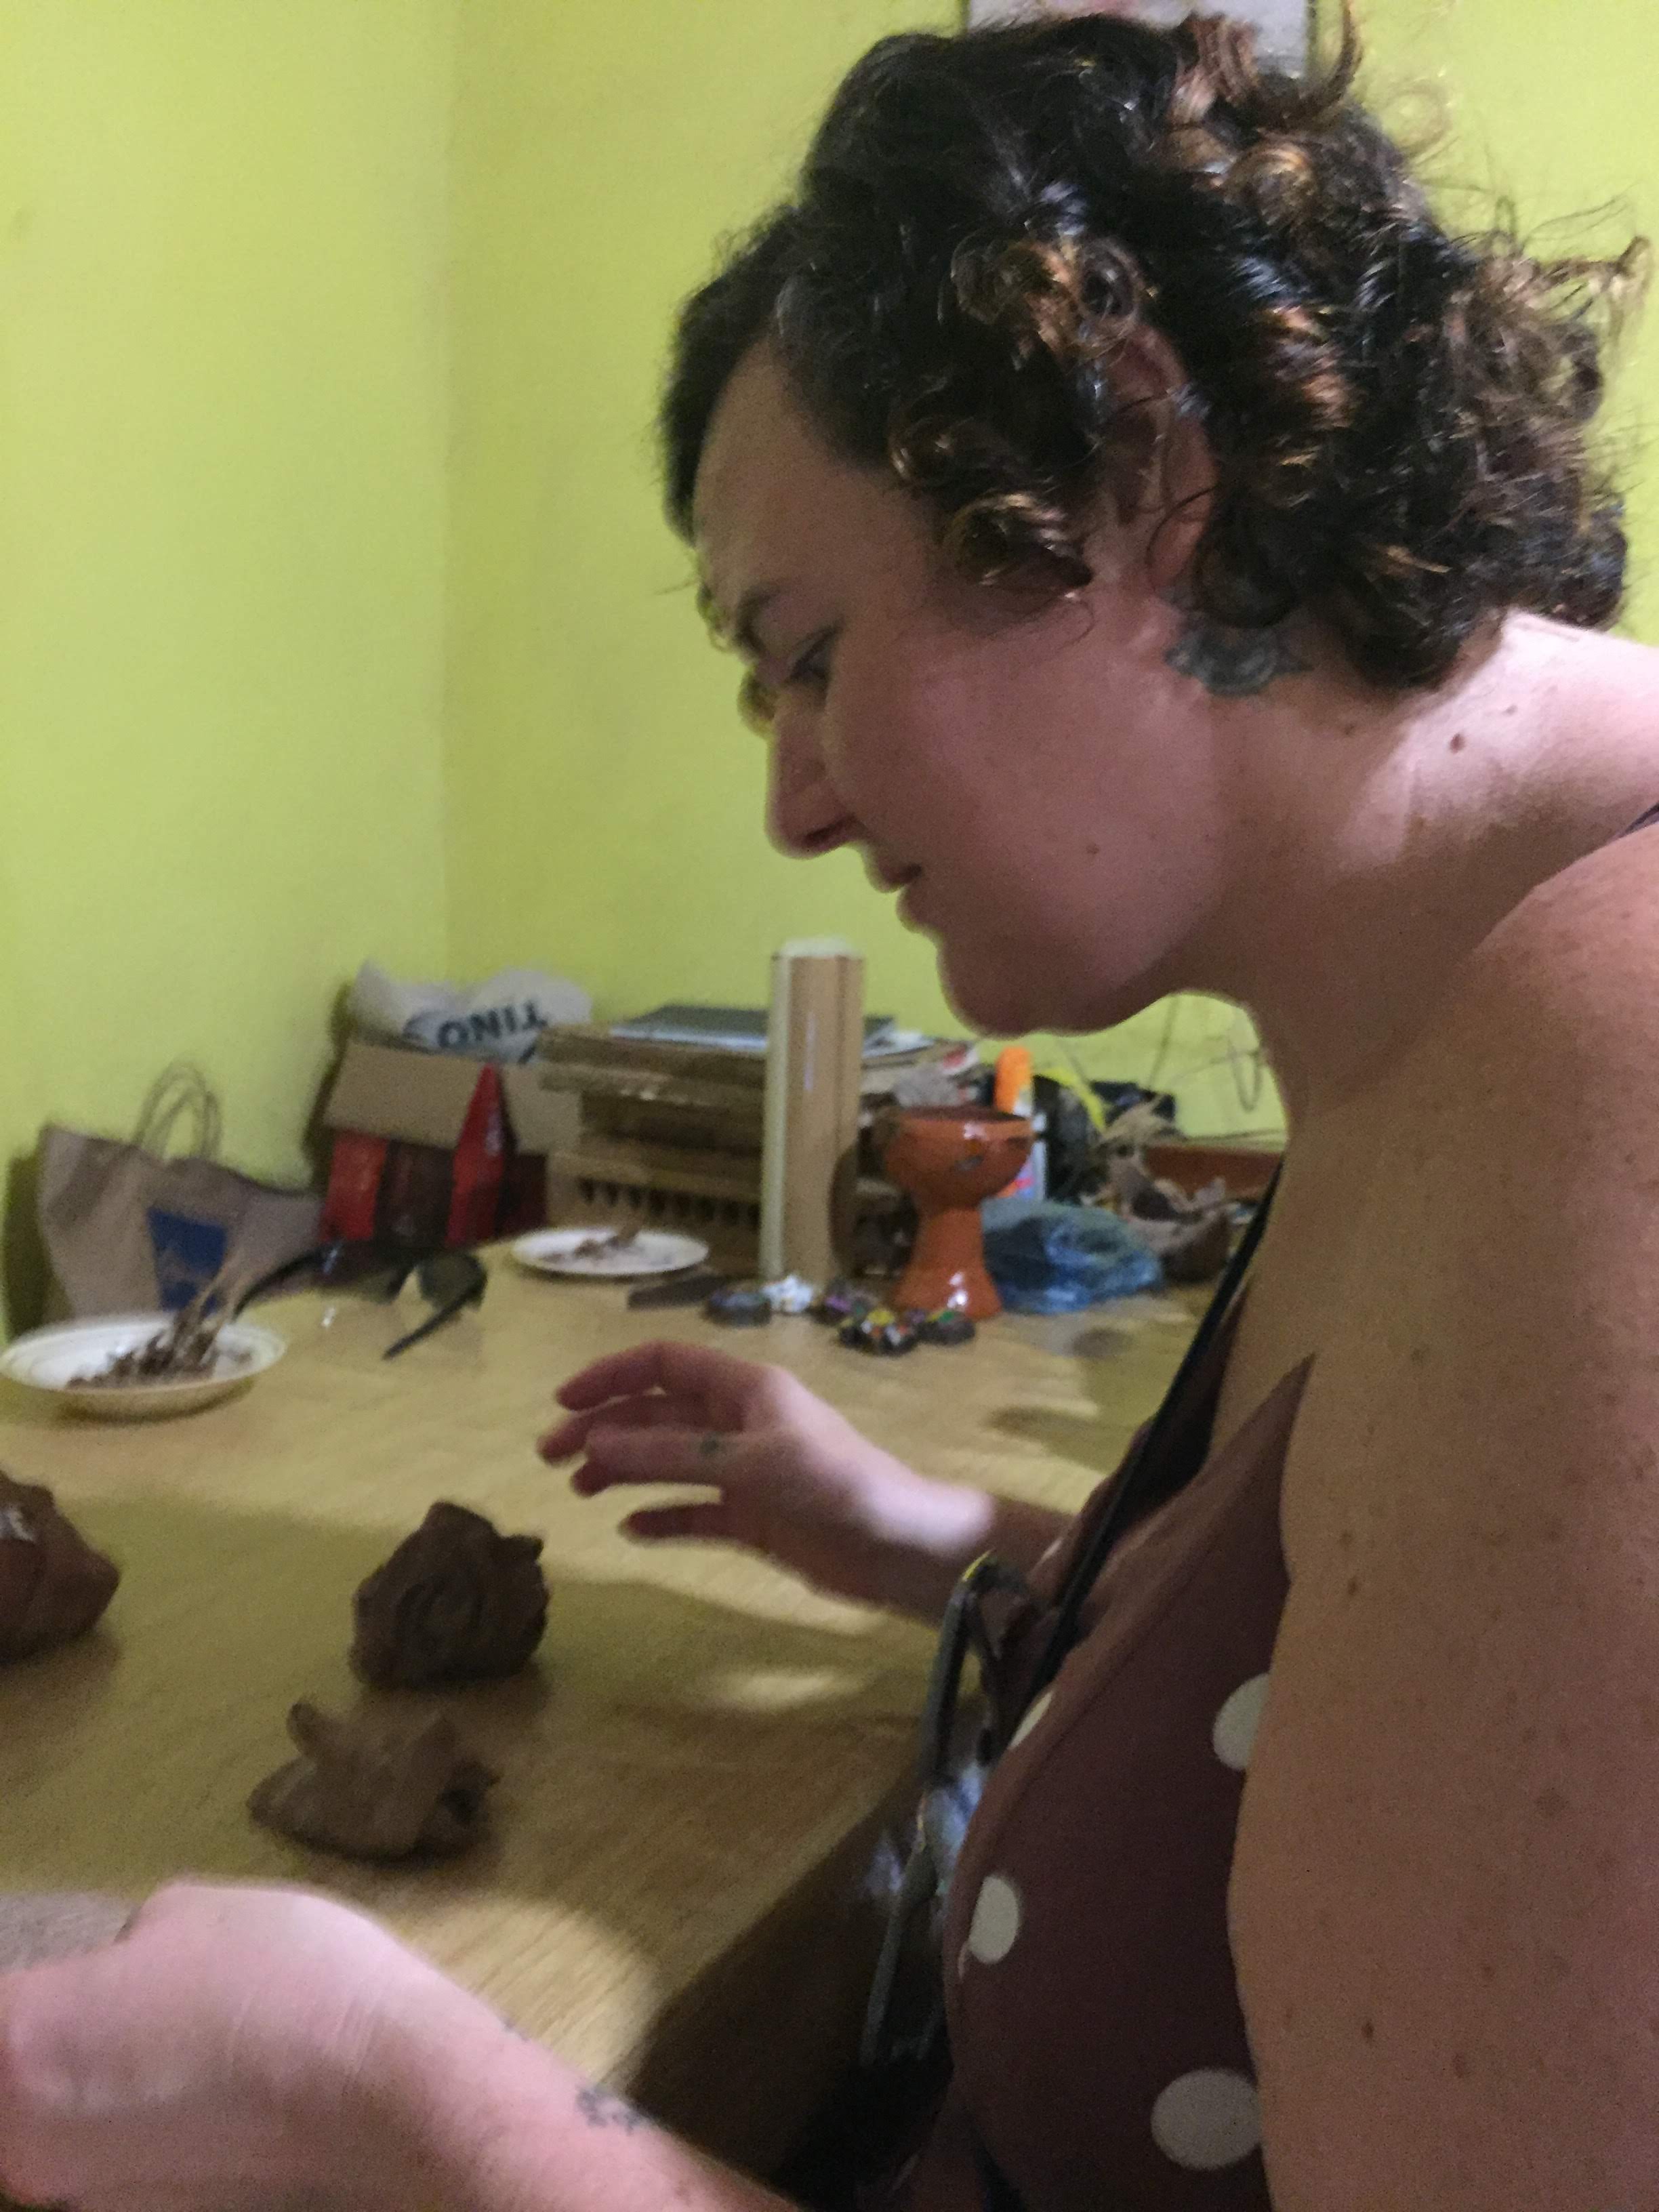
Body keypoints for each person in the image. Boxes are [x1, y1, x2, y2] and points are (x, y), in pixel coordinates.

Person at [2, 9, 1655, 2207]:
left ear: (1139, 477)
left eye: (804, 652)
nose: (792, 800)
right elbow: (1400, 1655)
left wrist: (396, 2099)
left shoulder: (1613, 1064)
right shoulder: (1435, 1021)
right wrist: (940, 1546)